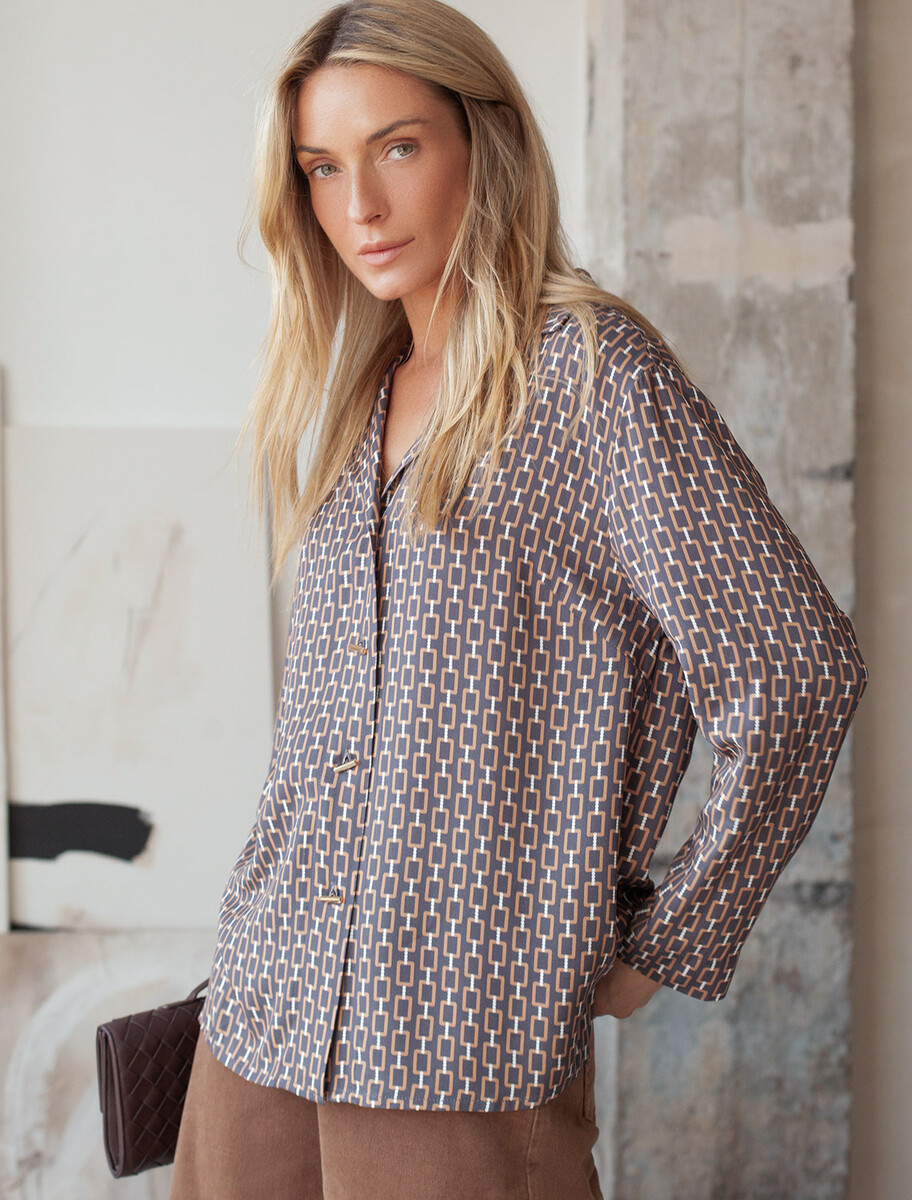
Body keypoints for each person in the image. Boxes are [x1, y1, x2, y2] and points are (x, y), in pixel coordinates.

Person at [169, 1, 867, 1197]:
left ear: (480, 142)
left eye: (396, 147)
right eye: (321, 167)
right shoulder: (360, 394)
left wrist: (670, 938)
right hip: (261, 1014)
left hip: (457, 1043)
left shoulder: (596, 378)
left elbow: (797, 670)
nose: (359, 205)